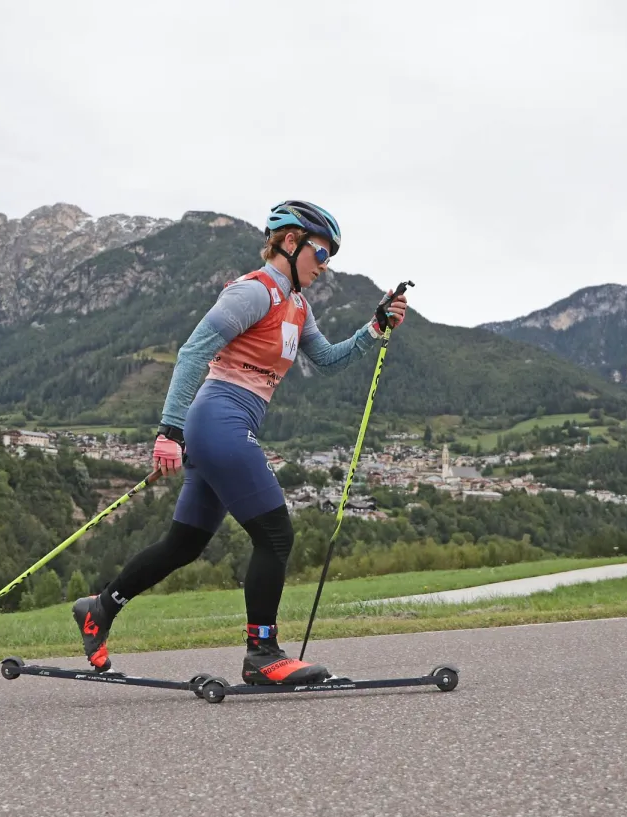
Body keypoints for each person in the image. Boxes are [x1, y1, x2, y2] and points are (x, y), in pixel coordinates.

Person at [72, 200, 409, 685]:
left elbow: (330, 361)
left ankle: (99, 608)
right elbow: (193, 350)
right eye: (321, 252)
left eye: (330, 256)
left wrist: (376, 326)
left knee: (183, 544)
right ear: (289, 243)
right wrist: (170, 431)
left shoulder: (297, 306)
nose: (325, 265)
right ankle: (262, 653)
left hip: (228, 426)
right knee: (275, 535)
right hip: (218, 422)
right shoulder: (256, 292)